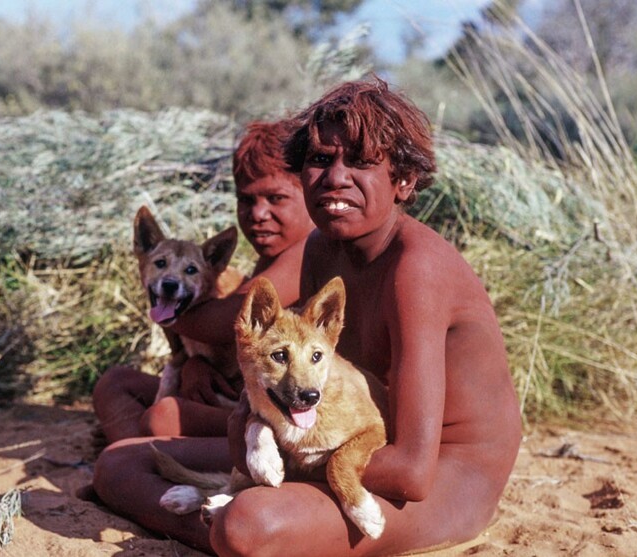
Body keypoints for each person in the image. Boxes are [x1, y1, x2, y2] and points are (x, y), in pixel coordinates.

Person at [92, 76, 522, 556]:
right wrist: (248, 429)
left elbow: (410, 470)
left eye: (360, 162)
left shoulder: (415, 270)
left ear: (403, 181)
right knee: (118, 465)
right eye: (320, 160)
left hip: (443, 474)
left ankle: (230, 526)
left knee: (247, 523)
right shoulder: (323, 246)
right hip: (331, 435)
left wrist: (270, 461)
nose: (336, 177)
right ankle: (234, 525)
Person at [92, 120, 315, 444]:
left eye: (276, 198)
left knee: (162, 416)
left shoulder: (304, 253)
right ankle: (133, 454)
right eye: (246, 200)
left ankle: (133, 457)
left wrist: (164, 301)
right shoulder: (269, 256)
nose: (258, 213)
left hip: (280, 416)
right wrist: (193, 363)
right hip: (240, 397)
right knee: (114, 384)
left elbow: (223, 323)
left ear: (310, 192)